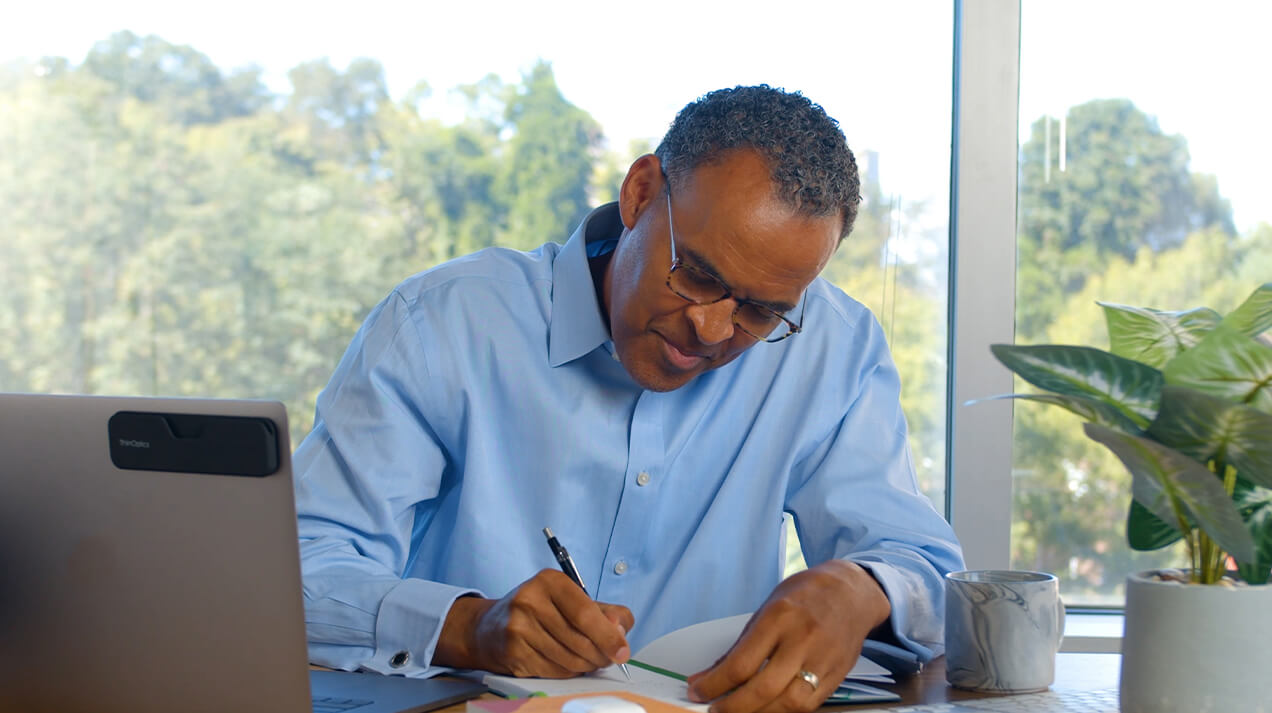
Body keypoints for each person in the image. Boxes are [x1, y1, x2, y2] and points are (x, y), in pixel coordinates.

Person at [293, 84, 964, 713]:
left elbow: (930, 571)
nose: (713, 329)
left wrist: (862, 589)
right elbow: (294, 570)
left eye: (761, 311)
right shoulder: (443, 323)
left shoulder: (833, 348)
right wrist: (469, 625)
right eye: (697, 274)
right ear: (640, 193)